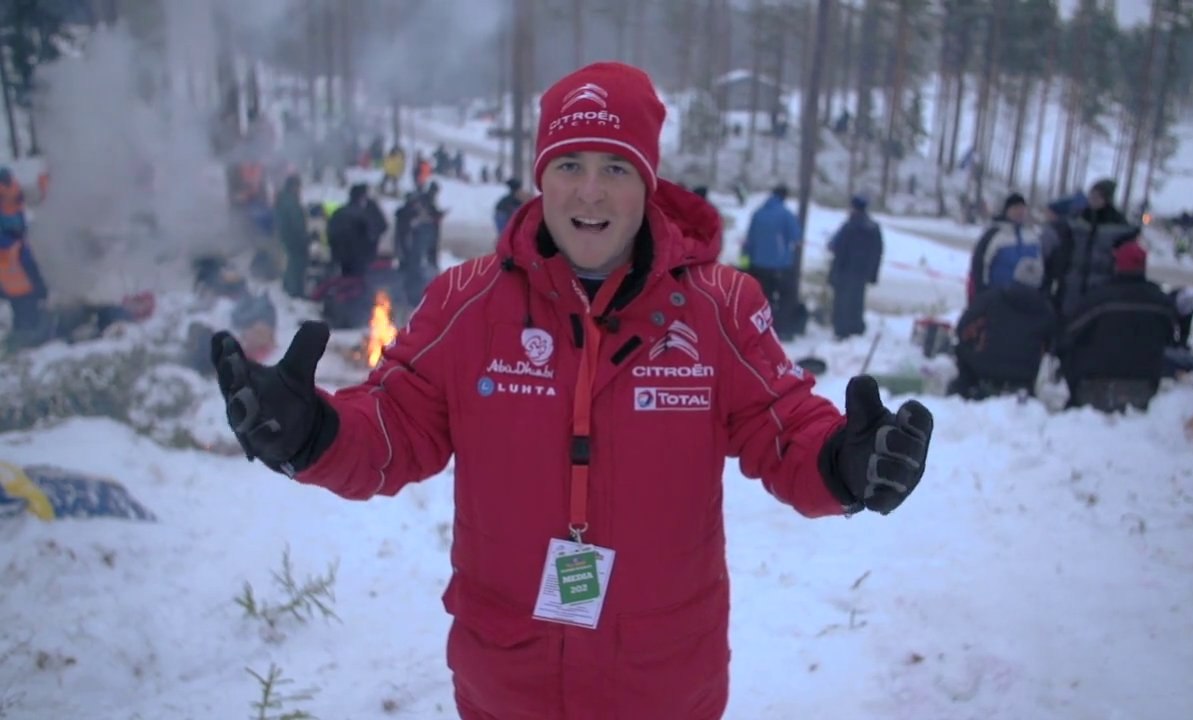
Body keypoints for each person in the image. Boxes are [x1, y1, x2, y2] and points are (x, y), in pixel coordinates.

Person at [208, 62, 934, 720]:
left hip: (664, 685)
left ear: (648, 183)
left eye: (617, 167)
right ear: (541, 177)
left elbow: (784, 425)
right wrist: (315, 436)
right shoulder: (467, 302)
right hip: (508, 681)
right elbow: (395, 426)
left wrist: (842, 461)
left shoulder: (718, 306)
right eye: (571, 164)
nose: (590, 190)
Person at [1058, 236, 1179, 412]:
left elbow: (1068, 335)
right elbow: (1172, 338)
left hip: (1094, 384)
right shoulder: (1161, 303)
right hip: (1144, 384)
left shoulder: (1099, 299)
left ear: (1116, 264)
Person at [949, 257, 1057, 400]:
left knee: (960, 351)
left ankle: (959, 394)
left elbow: (963, 327)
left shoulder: (992, 298)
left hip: (984, 368)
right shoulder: (1046, 310)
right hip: (1024, 375)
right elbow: (1051, 345)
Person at [1045, 179, 1138, 317]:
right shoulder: (1078, 219)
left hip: (1102, 286)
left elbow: (1125, 258)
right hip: (1072, 285)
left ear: (1107, 199)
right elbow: (1064, 250)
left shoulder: (1119, 226)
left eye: (1098, 196)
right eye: (1091, 195)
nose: (1093, 199)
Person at [742, 184, 802, 337]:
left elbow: (749, 239)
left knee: (763, 298)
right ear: (784, 197)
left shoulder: (758, 213)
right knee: (784, 298)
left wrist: (746, 262)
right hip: (780, 265)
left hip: (757, 264)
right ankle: (781, 330)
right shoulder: (786, 214)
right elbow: (796, 238)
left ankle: (761, 329)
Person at [967, 193, 1045, 301]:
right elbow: (979, 265)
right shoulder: (994, 234)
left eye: (1022, 208)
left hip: (1025, 299)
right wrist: (981, 294)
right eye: (1015, 208)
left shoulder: (1031, 236)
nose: (1019, 212)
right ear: (1007, 210)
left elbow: (1039, 266)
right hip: (997, 297)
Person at [827, 194, 883, 339]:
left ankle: (841, 331)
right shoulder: (874, 228)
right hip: (862, 273)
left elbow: (835, 246)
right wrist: (873, 274)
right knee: (857, 301)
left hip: (844, 270)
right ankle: (856, 327)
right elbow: (877, 252)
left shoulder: (848, 227)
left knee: (841, 303)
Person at [274, 175, 309, 298]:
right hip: (294, 239)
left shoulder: (283, 199)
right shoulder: (291, 202)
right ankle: (295, 290)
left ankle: (289, 286)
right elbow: (296, 222)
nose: (300, 189)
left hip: (287, 237)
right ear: (293, 187)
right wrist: (305, 237)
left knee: (291, 262)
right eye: (298, 187)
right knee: (297, 264)